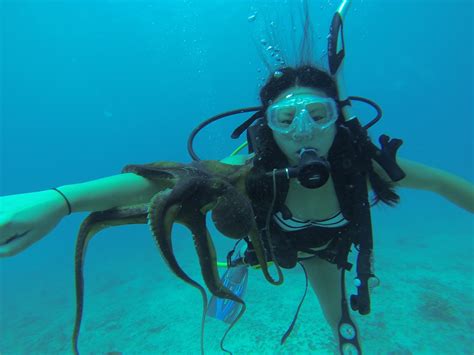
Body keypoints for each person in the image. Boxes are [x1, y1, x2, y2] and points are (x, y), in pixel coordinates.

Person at [1, 3, 473, 355]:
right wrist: (58, 201)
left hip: (326, 251)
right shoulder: (250, 167)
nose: (303, 130)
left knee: (340, 319)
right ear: (267, 125)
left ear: (338, 118)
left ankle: (341, 338)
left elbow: (451, 186)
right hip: (271, 242)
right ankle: (237, 269)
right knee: (244, 256)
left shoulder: (364, 165)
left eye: (317, 114)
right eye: (286, 119)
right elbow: (159, 183)